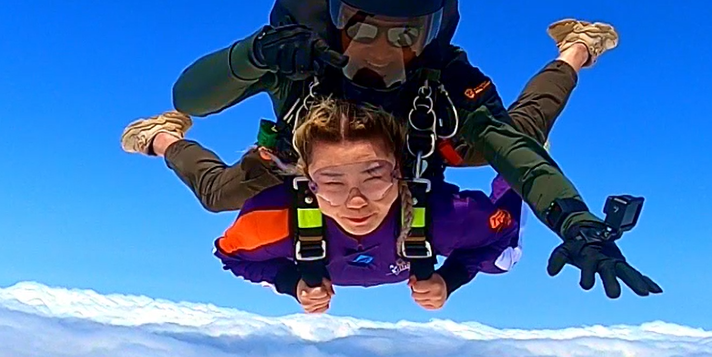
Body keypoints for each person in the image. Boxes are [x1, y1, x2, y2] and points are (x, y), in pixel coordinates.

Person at [121, 0, 658, 299]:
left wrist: (576, 221)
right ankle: (163, 139)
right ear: (335, 17)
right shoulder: (298, 52)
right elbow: (192, 96)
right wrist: (256, 54)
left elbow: (520, 157)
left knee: (517, 135)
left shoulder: (443, 76)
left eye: (404, 36)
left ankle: (575, 49)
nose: (380, 51)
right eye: (362, 27)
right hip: (310, 161)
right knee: (222, 195)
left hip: (406, 158)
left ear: (428, 31)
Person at [214, 98, 522, 313]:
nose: (356, 200)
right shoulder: (270, 221)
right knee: (213, 196)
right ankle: (165, 139)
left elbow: (501, 235)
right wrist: (289, 282)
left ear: (399, 173)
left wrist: (452, 277)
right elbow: (232, 257)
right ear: (309, 185)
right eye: (333, 182)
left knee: (504, 260)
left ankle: (522, 148)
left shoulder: (444, 217)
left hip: (440, 215)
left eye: (374, 176)